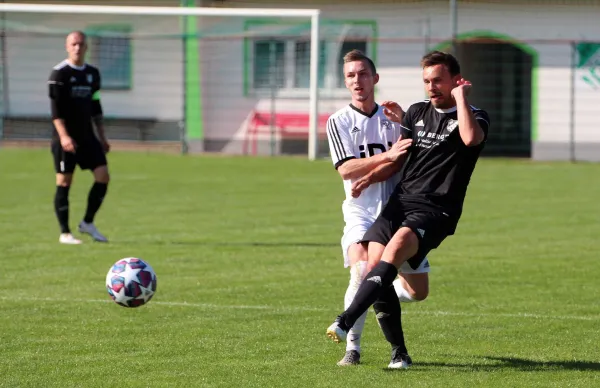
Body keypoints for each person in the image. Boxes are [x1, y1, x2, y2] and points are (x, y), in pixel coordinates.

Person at [326, 50, 491, 367]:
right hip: (383, 208)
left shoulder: (465, 114)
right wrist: (372, 174)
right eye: (427, 81)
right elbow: (385, 162)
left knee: (415, 291)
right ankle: (362, 347)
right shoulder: (410, 113)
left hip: (430, 209)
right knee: (368, 268)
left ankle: (360, 316)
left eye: (438, 80)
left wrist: (460, 99)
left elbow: (470, 140)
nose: (431, 87)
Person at [325, 49, 431, 368]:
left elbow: (405, 157)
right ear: (346, 82)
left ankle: (375, 291)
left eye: (362, 74)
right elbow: (346, 169)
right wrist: (385, 157)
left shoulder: (393, 118)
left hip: (400, 212)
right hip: (360, 212)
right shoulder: (338, 121)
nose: (357, 80)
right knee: (362, 270)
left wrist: (389, 158)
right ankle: (352, 348)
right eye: (350, 75)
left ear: (375, 78)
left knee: (418, 291)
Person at [49, 31, 110, 244]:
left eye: (81, 44)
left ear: (86, 47)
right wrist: (64, 137)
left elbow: (96, 105)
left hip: (88, 137)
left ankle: (87, 223)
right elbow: (56, 112)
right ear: (67, 46)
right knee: (64, 182)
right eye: (73, 44)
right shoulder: (59, 74)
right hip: (65, 139)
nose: (77, 47)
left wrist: (102, 136)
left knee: (103, 175)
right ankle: (65, 232)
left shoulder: (93, 74)